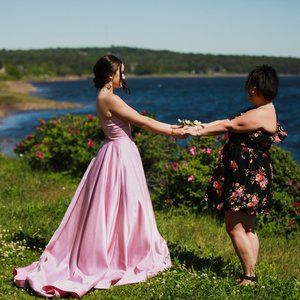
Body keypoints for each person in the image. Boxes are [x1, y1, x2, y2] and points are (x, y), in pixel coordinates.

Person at [12, 55, 186, 298]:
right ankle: (127, 253)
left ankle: (122, 248)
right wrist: (174, 131)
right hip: (120, 155)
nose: (123, 77)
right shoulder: (110, 99)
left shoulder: (104, 97)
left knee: (116, 207)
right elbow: (143, 121)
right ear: (109, 75)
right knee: (127, 205)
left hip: (114, 152)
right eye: (120, 72)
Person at [184, 65, 287, 286]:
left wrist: (196, 131)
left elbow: (228, 124)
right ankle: (250, 273)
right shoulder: (264, 108)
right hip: (250, 173)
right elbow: (227, 121)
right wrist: (197, 126)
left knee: (234, 226)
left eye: (252, 85)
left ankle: (249, 275)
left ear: (260, 87)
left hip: (246, 175)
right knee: (248, 227)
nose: (248, 90)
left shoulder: (260, 113)